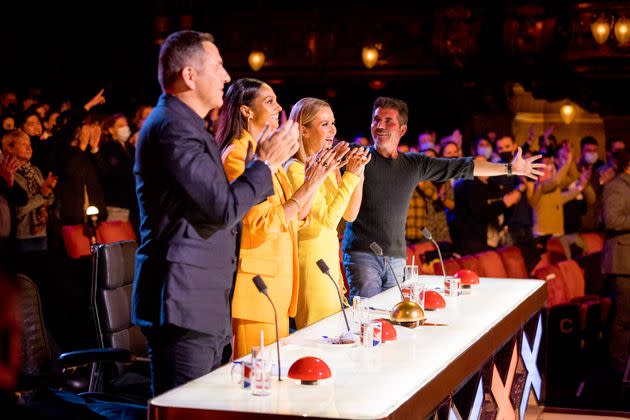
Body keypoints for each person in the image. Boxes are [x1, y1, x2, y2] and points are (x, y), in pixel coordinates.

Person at [132, 31, 299, 395]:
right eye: (218, 66)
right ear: (189, 75)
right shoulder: (173, 129)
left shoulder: (190, 127)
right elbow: (223, 209)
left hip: (203, 301)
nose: (226, 76)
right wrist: (265, 163)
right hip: (183, 302)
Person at [342, 97, 544, 299]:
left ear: (402, 130)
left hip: (396, 257)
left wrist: (509, 169)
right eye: (376, 120)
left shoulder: (413, 164)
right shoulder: (359, 155)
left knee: (395, 316)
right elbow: (326, 149)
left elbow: (463, 166)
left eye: (388, 121)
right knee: (367, 317)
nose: (380, 126)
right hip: (362, 254)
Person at [218, 80, 347, 357]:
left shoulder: (266, 155)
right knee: (256, 383)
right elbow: (261, 222)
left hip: (276, 286)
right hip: (256, 286)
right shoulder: (239, 155)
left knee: (273, 381)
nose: (279, 107)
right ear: (246, 111)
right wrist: (311, 183)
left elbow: (296, 216)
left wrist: (316, 179)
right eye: (269, 101)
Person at [286, 97, 370, 329]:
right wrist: (350, 176)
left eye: (333, 123)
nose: (332, 130)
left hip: (330, 258)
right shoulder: (294, 168)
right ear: (303, 130)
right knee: (317, 333)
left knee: (334, 331)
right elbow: (323, 223)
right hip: (310, 261)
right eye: (324, 124)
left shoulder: (329, 166)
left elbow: (350, 215)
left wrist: (358, 174)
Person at [601, 150, 630, 379]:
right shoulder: (616, 186)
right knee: (624, 316)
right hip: (622, 262)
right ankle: (617, 369)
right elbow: (613, 219)